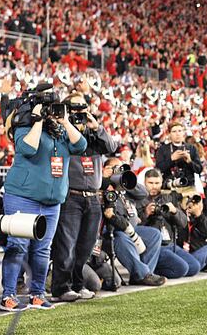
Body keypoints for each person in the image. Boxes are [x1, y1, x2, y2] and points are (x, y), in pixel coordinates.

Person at [0, 99, 87, 312]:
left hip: (51, 202)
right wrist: (37, 121)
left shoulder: (61, 130)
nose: (52, 113)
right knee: (18, 245)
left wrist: (65, 122)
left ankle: (37, 294)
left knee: (42, 250)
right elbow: (27, 148)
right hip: (22, 196)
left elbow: (81, 145)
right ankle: (8, 295)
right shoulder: (24, 127)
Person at [51, 92, 117, 302]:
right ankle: (61, 287)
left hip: (94, 197)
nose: (78, 114)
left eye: (82, 108)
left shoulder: (93, 134)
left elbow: (112, 147)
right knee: (67, 245)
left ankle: (78, 285)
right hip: (72, 195)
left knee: (85, 246)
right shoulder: (61, 132)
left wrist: (96, 126)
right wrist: (69, 124)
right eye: (74, 109)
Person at [102, 157, 166, 287]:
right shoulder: (103, 186)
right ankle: (142, 274)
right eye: (115, 168)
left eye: (120, 169)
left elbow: (143, 193)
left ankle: (144, 274)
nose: (118, 172)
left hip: (133, 228)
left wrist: (126, 178)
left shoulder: (125, 189)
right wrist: (105, 178)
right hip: (113, 232)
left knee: (154, 234)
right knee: (120, 238)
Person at [137, 168, 203, 278]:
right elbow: (135, 227)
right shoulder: (139, 200)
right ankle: (150, 270)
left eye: (157, 183)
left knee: (194, 267)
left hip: (170, 244)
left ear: (161, 183)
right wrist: (146, 213)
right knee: (182, 268)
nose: (154, 186)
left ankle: (158, 268)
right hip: (153, 247)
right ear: (145, 183)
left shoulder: (167, 197)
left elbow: (183, 223)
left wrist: (174, 211)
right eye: (150, 183)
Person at [155, 122, 203, 195]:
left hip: (188, 188)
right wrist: (171, 159)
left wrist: (189, 161)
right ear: (169, 134)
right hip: (169, 188)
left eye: (180, 131)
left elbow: (199, 169)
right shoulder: (162, 149)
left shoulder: (191, 148)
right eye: (174, 131)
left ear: (183, 133)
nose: (177, 134)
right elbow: (158, 169)